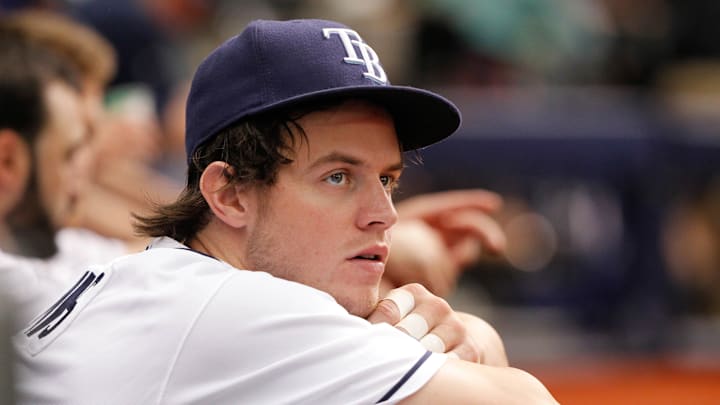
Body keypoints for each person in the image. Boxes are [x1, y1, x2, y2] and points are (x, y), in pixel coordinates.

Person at [13, 19, 556, 403]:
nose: (384, 214)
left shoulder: (152, 282)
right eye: (338, 177)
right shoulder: (238, 308)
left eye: (387, 179)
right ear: (228, 194)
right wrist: (472, 334)